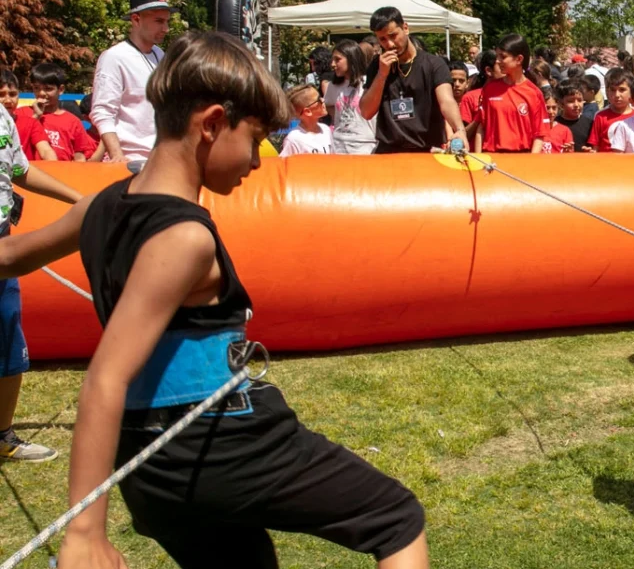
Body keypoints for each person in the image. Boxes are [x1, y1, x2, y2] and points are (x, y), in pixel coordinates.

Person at [0, 32, 430, 567]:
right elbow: (106, 376)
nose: (256, 161)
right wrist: (85, 532)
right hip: (218, 444)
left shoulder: (99, 207)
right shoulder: (185, 239)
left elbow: (9, 256)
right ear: (210, 124)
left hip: (150, 471)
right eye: (253, 139)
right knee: (395, 518)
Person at [0, 100, 83, 462]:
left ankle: (3, 436)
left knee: (8, 337)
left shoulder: (2, 116)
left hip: (3, 239)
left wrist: (78, 199)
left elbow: (19, 170)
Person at [360, 7, 468, 153]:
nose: (390, 44)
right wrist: (381, 75)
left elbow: (447, 101)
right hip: (388, 152)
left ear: (405, 28)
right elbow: (366, 112)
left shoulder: (433, 64)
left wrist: (459, 129)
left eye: (393, 35)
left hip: (426, 151)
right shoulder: (378, 65)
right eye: (383, 39)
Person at [90, 0, 175, 163]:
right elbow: (103, 112)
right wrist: (117, 155)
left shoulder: (160, 55)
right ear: (136, 19)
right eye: (159, 21)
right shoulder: (114, 57)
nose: (166, 28)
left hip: (160, 159)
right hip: (130, 161)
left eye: (167, 21)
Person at [475, 34, 548, 154]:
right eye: (497, 56)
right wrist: (478, 159)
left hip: (522, 159)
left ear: (519, 59)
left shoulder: (534, 93)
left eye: (502, 57)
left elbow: (539, 134)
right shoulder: (489, 89)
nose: (497, 61)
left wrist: (531, 162)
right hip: (492, 160)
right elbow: (481, 127)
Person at [27, 63, 97, 161]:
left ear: (60, 89)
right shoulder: (23, 113)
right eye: (36, 88)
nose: (41, 93)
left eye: (48, 89)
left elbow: (80, 156)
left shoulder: (73, 122)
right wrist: (36, 117)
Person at [324, 39, 376, 154]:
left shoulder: (369, 83)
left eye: (337, 60)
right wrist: (342, 116)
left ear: (352, 59)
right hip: (339, 145)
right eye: (332, 60)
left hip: (364, 145)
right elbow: (328, 105)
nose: (333, 64)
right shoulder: (334, 85)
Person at [0, 70, 53, 161]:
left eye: (12, 94)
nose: (8, 100)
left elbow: (46, 151)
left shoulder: (31, 123)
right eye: (1, 95)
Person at [585, 68, 634, 152]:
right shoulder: (600, 116)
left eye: (622, 90)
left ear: (631, 91)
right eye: (612, 90)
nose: (617, 95)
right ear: (607, 91)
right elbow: (595, 147)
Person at [281, 84, 333, 156]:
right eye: (318, 99)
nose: (323, 100)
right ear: (308, 112)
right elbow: (284, 164)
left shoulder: (326, 129)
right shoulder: (294, 139)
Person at [460, 51, 500, 135]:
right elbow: (462, 135)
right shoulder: (470, 98)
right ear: (489, 70)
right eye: (501, 67)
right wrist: (479, 117)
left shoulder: (511, 95)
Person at [555, 81, 593, 152]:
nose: (576, 105)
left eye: (579, 100)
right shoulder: (555, 124)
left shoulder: (590, 124)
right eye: (571, 101)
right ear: (561, 103)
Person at [540, 87, 574, 153]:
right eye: (547, 108)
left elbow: (569, 157)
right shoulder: (533, 130)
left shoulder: (565, 131)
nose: (551, 111)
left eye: (554, 108)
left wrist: (567, 152)